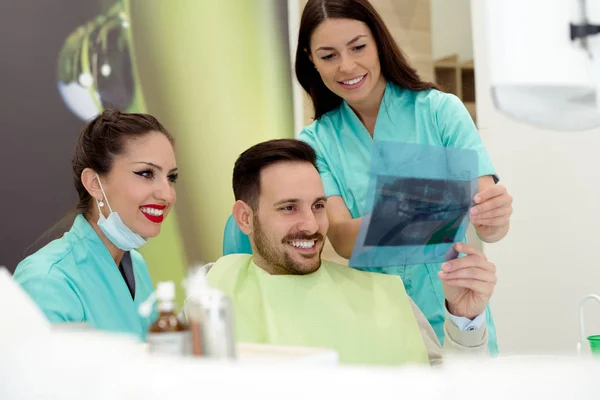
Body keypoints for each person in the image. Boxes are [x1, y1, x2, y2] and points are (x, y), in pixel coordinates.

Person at [295, 0, 513, 353]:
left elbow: (487, 222)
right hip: (379, 323)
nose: (347, 66)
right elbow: (342, 238)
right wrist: (441, 207)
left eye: (358, 47)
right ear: (311, 59)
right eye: (328, 55)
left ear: (379, 42)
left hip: (456, 310)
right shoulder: (315, 141)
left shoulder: (441, 111)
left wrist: (495, 214)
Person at [207, 139, 496, 365]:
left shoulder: (386, 296)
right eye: (288, 208)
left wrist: (464, 319)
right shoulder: (211, 292)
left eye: (318, 206)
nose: (310, 224)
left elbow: (452, 390)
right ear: (245, 218)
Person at [13, 109, 178, 340]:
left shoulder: (136, 265)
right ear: (95, 184)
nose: (167, 195)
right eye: (146, 173)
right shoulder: (47, 280)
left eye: (171, 178)